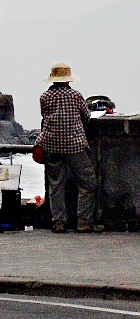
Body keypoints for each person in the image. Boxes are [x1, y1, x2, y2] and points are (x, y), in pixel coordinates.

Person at [37, 62, 102, 233]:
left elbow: (45, 117)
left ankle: (59, 222)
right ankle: (83, 221)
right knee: (88, 182)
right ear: (68, 80)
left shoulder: (45, 97)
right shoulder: (75, 95)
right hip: (74, 145)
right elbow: (87, 117)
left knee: (56, 185)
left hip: (51, 144)